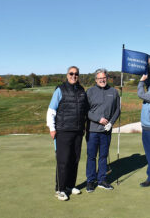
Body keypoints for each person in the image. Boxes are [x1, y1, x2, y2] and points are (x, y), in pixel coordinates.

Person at [46, 66, 88, 201]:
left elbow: (85, 110)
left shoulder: (81, 90)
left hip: (78, 131)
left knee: (74, 159)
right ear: (67, 75)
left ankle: (70, 185)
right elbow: (51, 111)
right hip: (63, 131)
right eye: (71, 73)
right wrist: (52, 129)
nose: (74, 76)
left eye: (76, 74)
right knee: (63, 161)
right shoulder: (60, 89)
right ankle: (60, 189)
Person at [86, 68, 120, 193]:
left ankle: (102, 180)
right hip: (92, 130)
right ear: (96, 79)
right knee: (91, 156)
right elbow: (86, 111)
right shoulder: (90, 92)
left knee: (103, 156)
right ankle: (90, 181)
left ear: (107, 78)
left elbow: (117, 110)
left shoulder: (113, 92)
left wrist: (111, 123)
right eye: (99, 78)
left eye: (104, 78)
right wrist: (98, 119)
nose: (102, 80)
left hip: (106, 131)